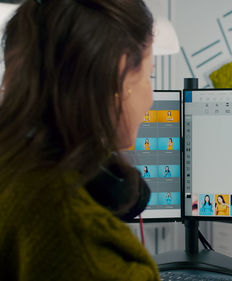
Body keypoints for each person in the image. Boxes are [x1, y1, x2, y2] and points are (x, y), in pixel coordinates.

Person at [0, 0, 159, 279]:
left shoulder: (14, 170)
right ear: (118, 74)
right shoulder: (81, 242)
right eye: (148, 75)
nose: (151, 97)